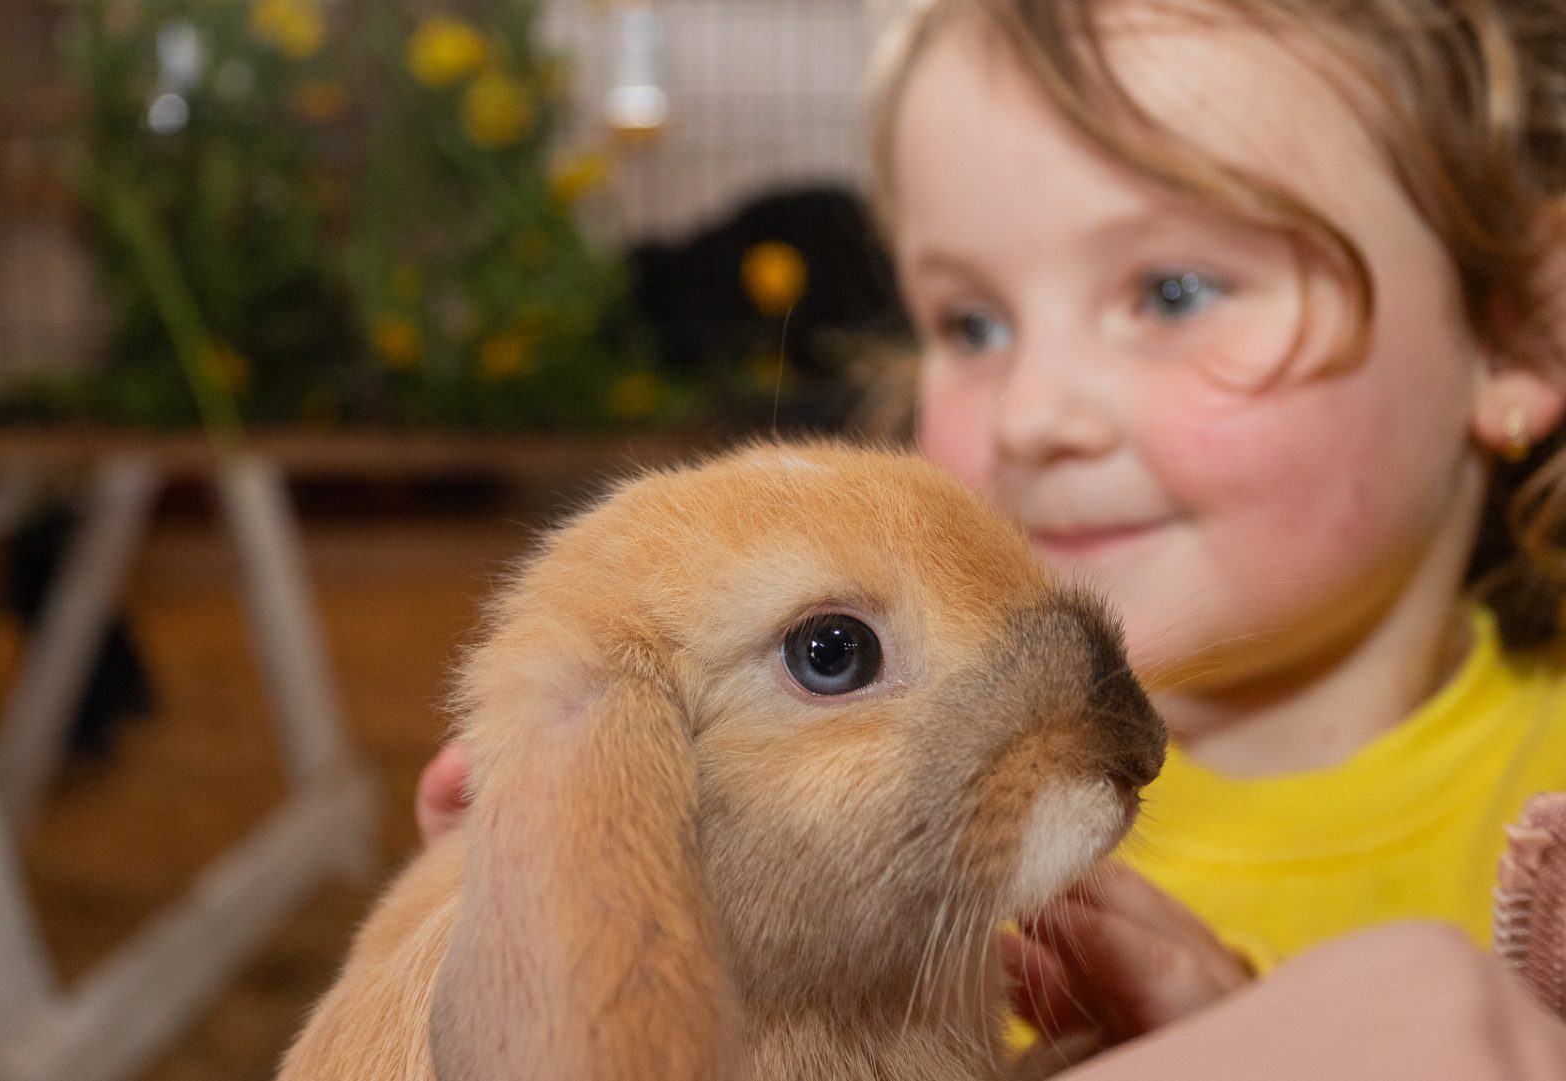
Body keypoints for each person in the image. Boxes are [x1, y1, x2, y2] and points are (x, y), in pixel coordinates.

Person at [415, 0, 1566, 1063]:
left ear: (1516, 335)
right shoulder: (814, 789)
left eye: (1172, 292)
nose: (1030, 415)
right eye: (970, 322)